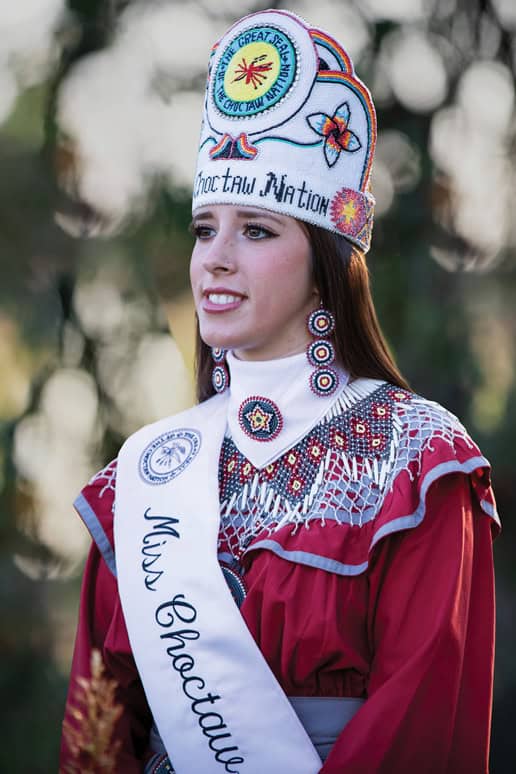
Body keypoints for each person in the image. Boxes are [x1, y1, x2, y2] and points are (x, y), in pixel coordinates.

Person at [60, 9, 500, 774]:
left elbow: (423, 727)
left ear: (326, 259)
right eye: (204, 230)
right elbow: (95, 741)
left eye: (256, 231)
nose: (216, 260)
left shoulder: (420, 466)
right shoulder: (141, 482)